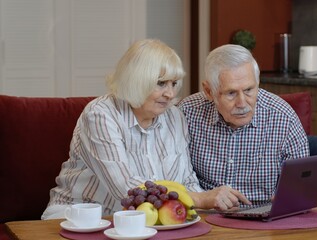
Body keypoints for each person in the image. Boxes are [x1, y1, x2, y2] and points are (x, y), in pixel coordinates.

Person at [42, 39, 248, 219]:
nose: (170, 93)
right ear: (135, 80)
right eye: (161, 83)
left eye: (174, 83)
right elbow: (127, 190)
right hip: (82, 218)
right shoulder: (100, 115)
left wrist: (213, 206)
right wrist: (200, 199)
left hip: (147, 221)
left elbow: (185, 179)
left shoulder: (174, 116)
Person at [178, 44, 310, 207]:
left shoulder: (283, 117)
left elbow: (302, 188)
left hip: (263, 219)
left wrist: (292, 197)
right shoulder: (187, 113)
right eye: (231, 93)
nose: (242, 103)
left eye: (249, 90)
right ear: (209, 91)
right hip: (206, 216)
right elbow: (173, 180)